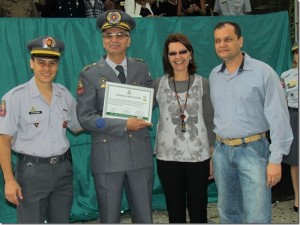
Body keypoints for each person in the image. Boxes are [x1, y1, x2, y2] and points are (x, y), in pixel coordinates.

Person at [209, 21, 293, 223]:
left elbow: (279, 118)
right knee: (227, 213)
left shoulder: (263, 73)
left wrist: (275, 160)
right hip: (222, 152)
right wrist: (214, 153)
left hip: (254, 152)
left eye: (228, 39)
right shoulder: (214, 75)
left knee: (257, 216)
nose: (222, 45)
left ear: (240, 40)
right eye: (218, 41)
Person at [76, 10, 154, 223]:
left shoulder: (142, 68)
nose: (114, 40)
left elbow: (148, 102)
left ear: (128, 40)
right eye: (109, 36)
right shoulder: (90, 74)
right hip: (108, 157)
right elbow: (86, 118)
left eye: (120, 35)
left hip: (140, 154)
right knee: (109, 218)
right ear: (103, 41)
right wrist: (124, 124)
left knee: (145, 217)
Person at [0, 36, 82, 223]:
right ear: (31, 63)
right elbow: (3, 140)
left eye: (52, 63)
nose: (47, 69)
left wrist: (111, 111)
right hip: (31, 173)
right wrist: (9, 180)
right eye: (41, 63)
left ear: (58, 66)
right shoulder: (15, 97)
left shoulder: (64, 95)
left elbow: (79, 126)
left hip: (63, 171)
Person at [151, 33, 214, 223]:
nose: (178, 57)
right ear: (167, 57)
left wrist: (212, 155)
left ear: (190, 54)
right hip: (167, 157)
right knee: (175, 210)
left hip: (199, 156)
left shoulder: (203, 83)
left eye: (182, 52)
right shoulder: (158, 84)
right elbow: (139, 111)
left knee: (198, 209)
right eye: (172, 53)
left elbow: (210, 120)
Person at [280, 42, 299, 212]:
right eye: (297, 52)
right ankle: (298, 198)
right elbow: (282, 101)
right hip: (294, 116)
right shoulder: (286, 76)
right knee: (295, 160)